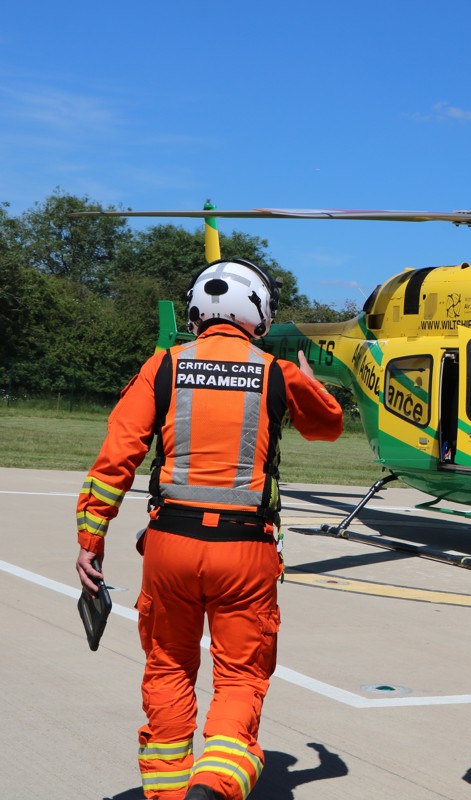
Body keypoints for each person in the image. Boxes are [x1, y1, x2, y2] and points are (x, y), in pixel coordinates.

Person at [75, 258, 344, 800]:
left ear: (197, 310)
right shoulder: (276, 372)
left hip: (170, 544)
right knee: (240, 677)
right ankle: (216, 782)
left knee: (168, 666)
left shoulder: (164, 367)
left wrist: (90, 540)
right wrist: (311, 384)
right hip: (245, 549)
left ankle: (169, 791)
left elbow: (115, 461)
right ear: (259, 314)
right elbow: (329, 427)